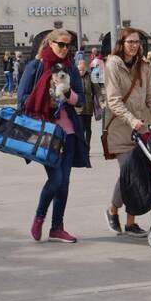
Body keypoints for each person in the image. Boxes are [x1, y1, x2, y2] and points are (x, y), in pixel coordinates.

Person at [18, 28, 89, 243]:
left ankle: (57, 227)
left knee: (64, 182)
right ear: (50, 43)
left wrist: (67, 94)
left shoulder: (71, 70)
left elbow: (81, 100)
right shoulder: (36, 67)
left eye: (68, 45)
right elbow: (21, 99)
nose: (65, 49)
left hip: (67, 133)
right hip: (44, 132)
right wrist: (48, 95)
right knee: (56, 179)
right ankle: (40, 217)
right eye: (61, 44)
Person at [102, 27, 151, 238]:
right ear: (121, 43)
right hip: (121, 129)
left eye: (137, 42)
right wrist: (131, 120)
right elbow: (113, 100)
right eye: (130, 42)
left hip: (142, 129)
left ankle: (131, 223)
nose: (134, 46)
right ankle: (112, 210)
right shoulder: (113, 64)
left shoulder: (144, 65)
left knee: (138, 173)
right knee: (128, 173)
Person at [76, 54, 97, 147]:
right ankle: (81, 147)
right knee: (80, 129)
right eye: (79, 69)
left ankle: (87, 146)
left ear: (86, 68)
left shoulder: (90, 77)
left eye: (82, 69)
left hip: (88, 108)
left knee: (88, 129)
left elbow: (97, 91)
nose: (81, 71)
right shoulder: (74, 78)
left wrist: (102, 102)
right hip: (78, 109)